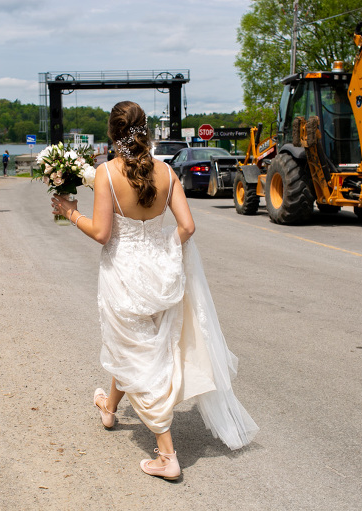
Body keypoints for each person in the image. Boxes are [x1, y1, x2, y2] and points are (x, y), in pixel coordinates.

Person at [52, 101, 258, 481]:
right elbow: (188, 227)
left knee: (136, 350)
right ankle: (109, 408)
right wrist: (163, 252)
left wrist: (68, 211)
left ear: (113, 134)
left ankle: (167, 455)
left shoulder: (106, 174)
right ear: (145, 130)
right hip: (163, 275)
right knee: (135, 344)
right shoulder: (165, 170)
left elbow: (101, 234)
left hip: (124, 274)